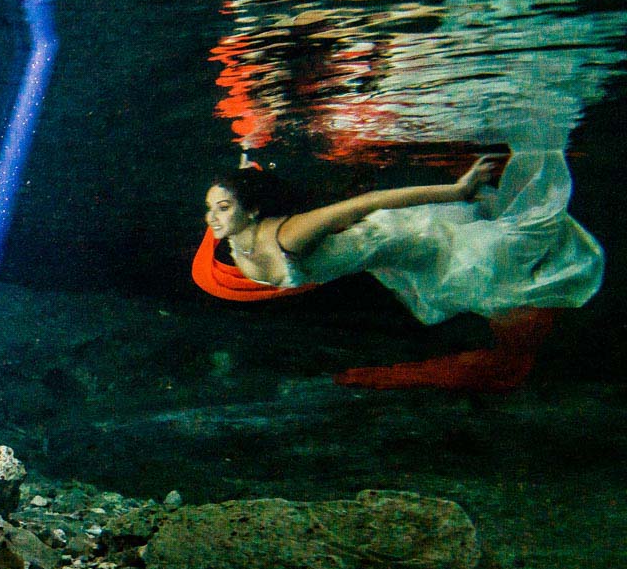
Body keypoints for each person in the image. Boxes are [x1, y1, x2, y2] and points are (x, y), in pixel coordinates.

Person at [196, 150, 605, 390]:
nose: (212, 218)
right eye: (210, 208)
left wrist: (457, 191)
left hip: (419, 239)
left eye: (224, 207)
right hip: (392, 258)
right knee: (503, 290)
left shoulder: (290, 236)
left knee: (508, 264)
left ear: (251, 211)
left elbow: (370, 203)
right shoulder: (233, 242)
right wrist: (246, 161)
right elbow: (242, 193)